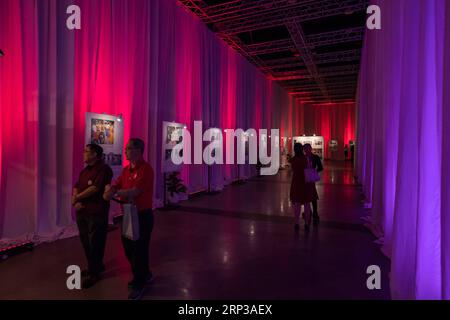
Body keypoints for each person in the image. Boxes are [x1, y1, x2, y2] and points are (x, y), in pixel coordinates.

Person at [103, 138, 155, 300]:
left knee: (139, 249)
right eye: (126, 149)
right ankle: (145, 274)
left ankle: (139, 283)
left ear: (138, 151)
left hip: (142, 215)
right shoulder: (127, 170)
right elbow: (117, 184)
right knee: (128, 247)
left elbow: (135, 191)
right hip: (128, 214)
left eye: (128, 148)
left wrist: (115, 193)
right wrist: (110, 188)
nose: (125, 151)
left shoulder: (146, 169)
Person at [73, 144, 113, 289]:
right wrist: (75, 199)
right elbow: (77, 185)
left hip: (96, 212)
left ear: (95, 154)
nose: (83, 153)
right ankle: (94, 266)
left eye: (86, 151)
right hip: (82, 212)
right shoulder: (85, 171)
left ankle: (94, 273)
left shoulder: (104, 169)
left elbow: (95, 188)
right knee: (86, 241)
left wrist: (77, 198)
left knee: (96, 242)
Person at [289, 143, 318, 232]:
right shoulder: (306, 158)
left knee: (297, 204)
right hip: (306, 183)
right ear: (302, 149)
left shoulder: (293, 160)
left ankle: (296, 223)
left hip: (296, 183)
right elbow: (309, 168)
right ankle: (306, 224)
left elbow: (293, 170)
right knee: (306, 204)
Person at [303, 143, 323, 226]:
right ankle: (308, 210)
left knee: (313, 195)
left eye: (308, 149)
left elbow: (320, 167)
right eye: (305, 149)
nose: (306, 150)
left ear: (311, 149)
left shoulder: (315, 157)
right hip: (304, 179)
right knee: (306, 195)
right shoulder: (303, 158)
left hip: (310, 179)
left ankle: (315, 211)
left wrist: (314, 172)